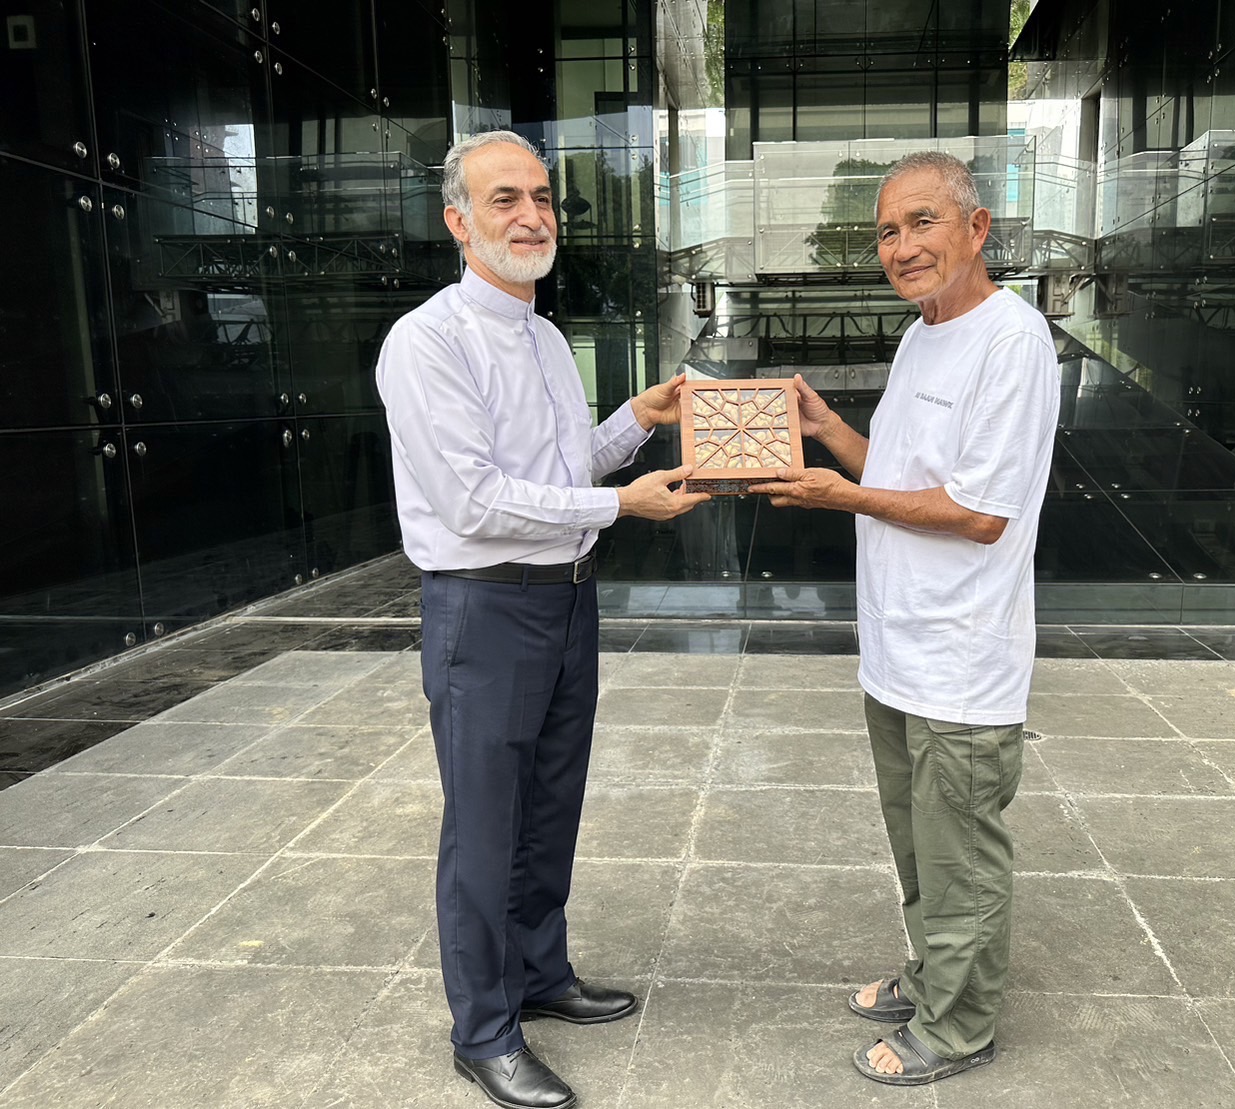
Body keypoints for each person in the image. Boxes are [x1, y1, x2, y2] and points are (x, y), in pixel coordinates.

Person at [374, 130, 708, 1109]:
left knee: (549, 805)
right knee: (484, 825)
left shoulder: (547, 337)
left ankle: (539, 972)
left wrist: (638, 419)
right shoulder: (428, 342)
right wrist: (623, 505)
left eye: (543, 198)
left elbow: (561, 472)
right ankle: (483, 1029)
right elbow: (476, 500)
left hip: (565, 598)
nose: (532, 216)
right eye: (505, 199)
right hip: (483, 608)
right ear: (458, 220)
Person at [751, 150, 1060, 1086]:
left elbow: (979, 512)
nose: (901, 246)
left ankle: (957, 1027)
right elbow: (898, 471)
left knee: (960, 853)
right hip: (896, 650)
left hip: (960, 659)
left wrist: (839, 494)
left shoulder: (1011, 341)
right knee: (920, 844)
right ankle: (932, 976)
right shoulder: (923, 334)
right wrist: (825, 431)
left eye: (922, 222)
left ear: (977, 227)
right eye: (887, 231)